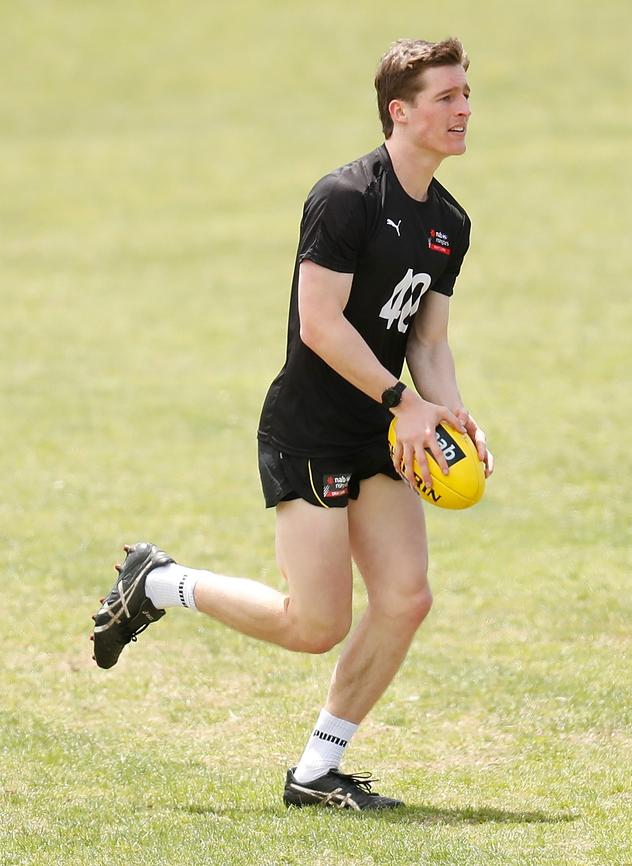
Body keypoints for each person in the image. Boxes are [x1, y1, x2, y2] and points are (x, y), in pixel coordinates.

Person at [91, 36, 494, 811]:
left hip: (384, 432)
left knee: (406, 597)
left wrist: (445, 410)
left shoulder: (449, 221)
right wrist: (403, 403)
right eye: (446, 98)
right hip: (312, 431)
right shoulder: (345, 197)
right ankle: (162, 583)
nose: (464, 109)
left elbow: (427, 338)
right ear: (398, 112)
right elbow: (320, 324)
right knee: (315, 623)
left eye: (466, 94)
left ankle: (316, 773)